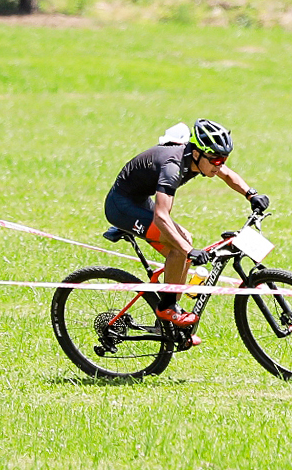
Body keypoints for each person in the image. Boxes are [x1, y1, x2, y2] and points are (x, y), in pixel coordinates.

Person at [104, 119, 268, 329]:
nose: (219, 165)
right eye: (216, 160)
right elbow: (161, 216)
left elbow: (227, 174)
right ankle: (167, 308)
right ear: (197, 153)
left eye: (224, 159)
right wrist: (188, 250)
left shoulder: (200, 159)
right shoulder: (172, 167)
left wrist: (251, 194)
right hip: (121, 207)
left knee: (184, 243)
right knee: (181, 247)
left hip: (139, 201)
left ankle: (171, 318)